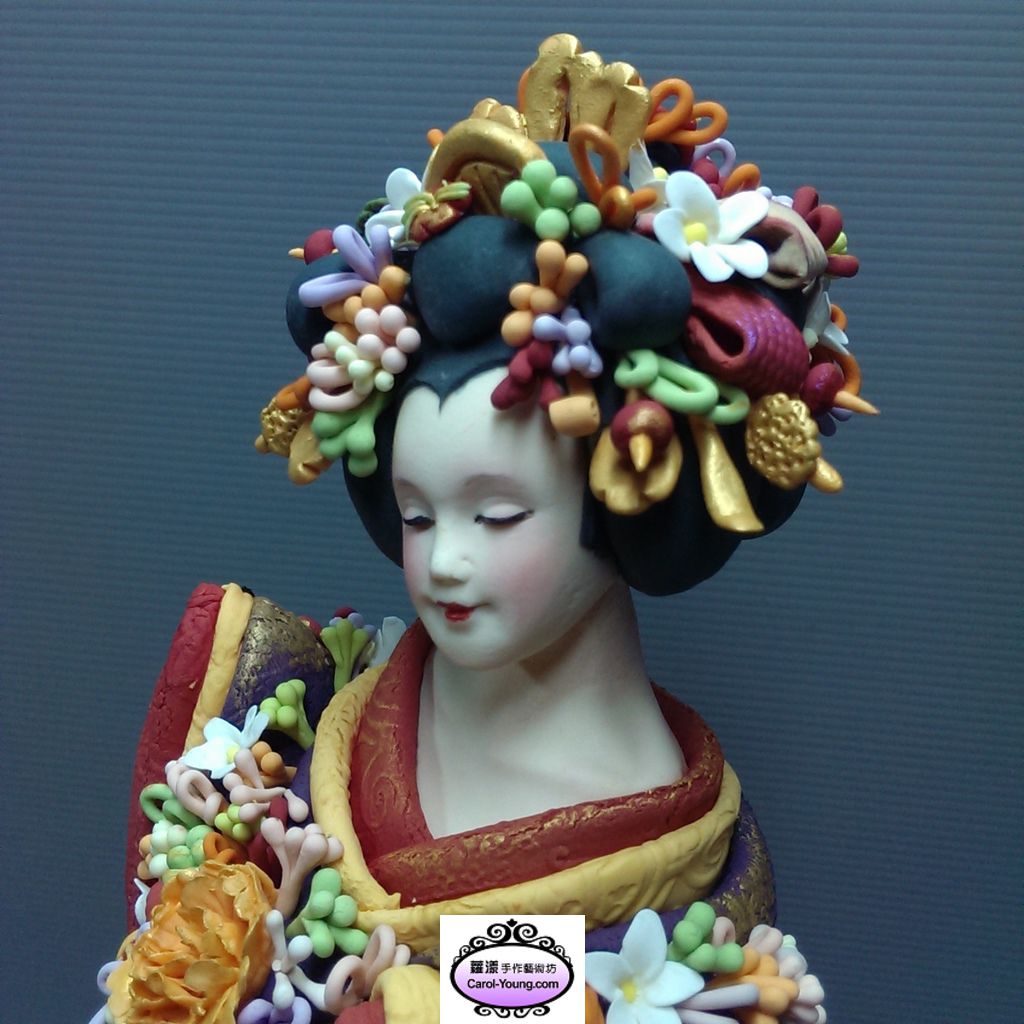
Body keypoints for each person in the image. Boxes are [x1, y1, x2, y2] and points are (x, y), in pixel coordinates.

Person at [103, 35, 865, 1024]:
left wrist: (405, 1003)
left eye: (497, 513)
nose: (443, 561)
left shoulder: (667, 863)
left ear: (628, 495)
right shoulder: (292, 715)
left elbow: (557, 992)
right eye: (417, 514)